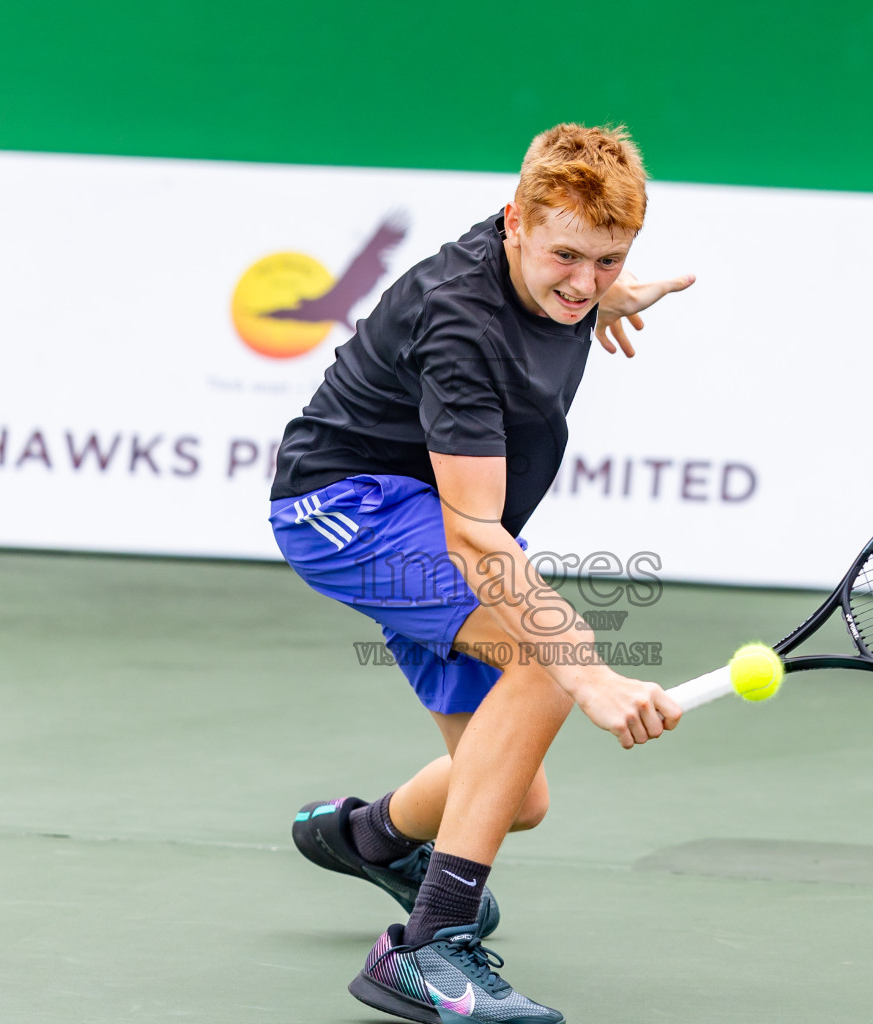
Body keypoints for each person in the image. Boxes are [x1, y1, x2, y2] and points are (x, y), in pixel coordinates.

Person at [269, 123, 692, 1023]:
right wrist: (590, 673)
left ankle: (371, 838)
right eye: (565, 257)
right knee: (547, 654)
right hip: (349, 508)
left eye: (608, 260)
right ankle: (427, 947)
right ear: (515, 224)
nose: (583, 280)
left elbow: (561, 285)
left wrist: (600, 299)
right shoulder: (461, 325)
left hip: (419, 509)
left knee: (515, 795)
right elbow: (474, 538)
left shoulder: (553, 273)